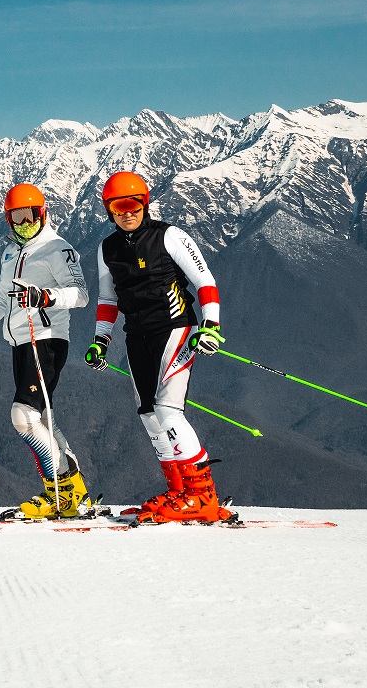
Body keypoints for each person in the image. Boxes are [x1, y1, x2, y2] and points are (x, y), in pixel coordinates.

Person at [83, 170, 232, 523]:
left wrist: (211, 326)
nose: (127, 212)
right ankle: (179, 491)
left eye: (133, 204)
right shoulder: (107, 249)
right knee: (149, 415)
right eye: (118, 208)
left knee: (168, 410)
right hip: (136, 336)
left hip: (177, 329)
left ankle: (201, 495)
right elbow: (107, 299)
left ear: (145, 204)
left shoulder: (169, 237)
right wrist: (101, 341)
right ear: (109, 211)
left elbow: (205, 281)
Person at [0, 184, 92, 519]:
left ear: (43, 214)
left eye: (30, 216)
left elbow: (80, 294)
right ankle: (74, 491)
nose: (23, 224)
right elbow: (1, 300)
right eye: (16, 218)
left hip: (48, 339)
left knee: (23, 416)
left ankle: (60, 493)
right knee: (41, 418)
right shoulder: (11, 253)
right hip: (21, 341)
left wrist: (45, 297)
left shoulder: (56, 248)